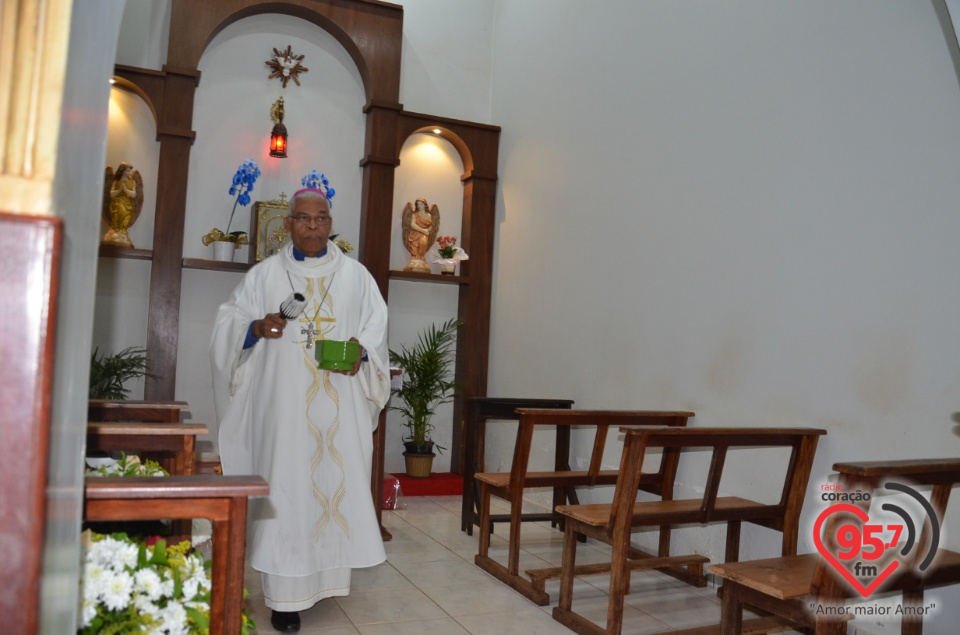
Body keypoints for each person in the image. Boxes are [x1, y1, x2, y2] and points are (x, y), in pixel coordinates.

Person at [210, 187, 390, 633]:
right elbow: (227, 324)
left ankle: (328, 580)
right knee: (286, 492)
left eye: (322, 218)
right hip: (284, 413)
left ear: (331, 224)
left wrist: (361, 353)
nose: (313, 225)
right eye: (304, 218)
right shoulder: (265, 276)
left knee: (335, 487)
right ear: (288, 225)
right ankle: (284, 599)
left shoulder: (356, 277)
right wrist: (254, 328)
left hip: (341, 408)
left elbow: (376, 328)